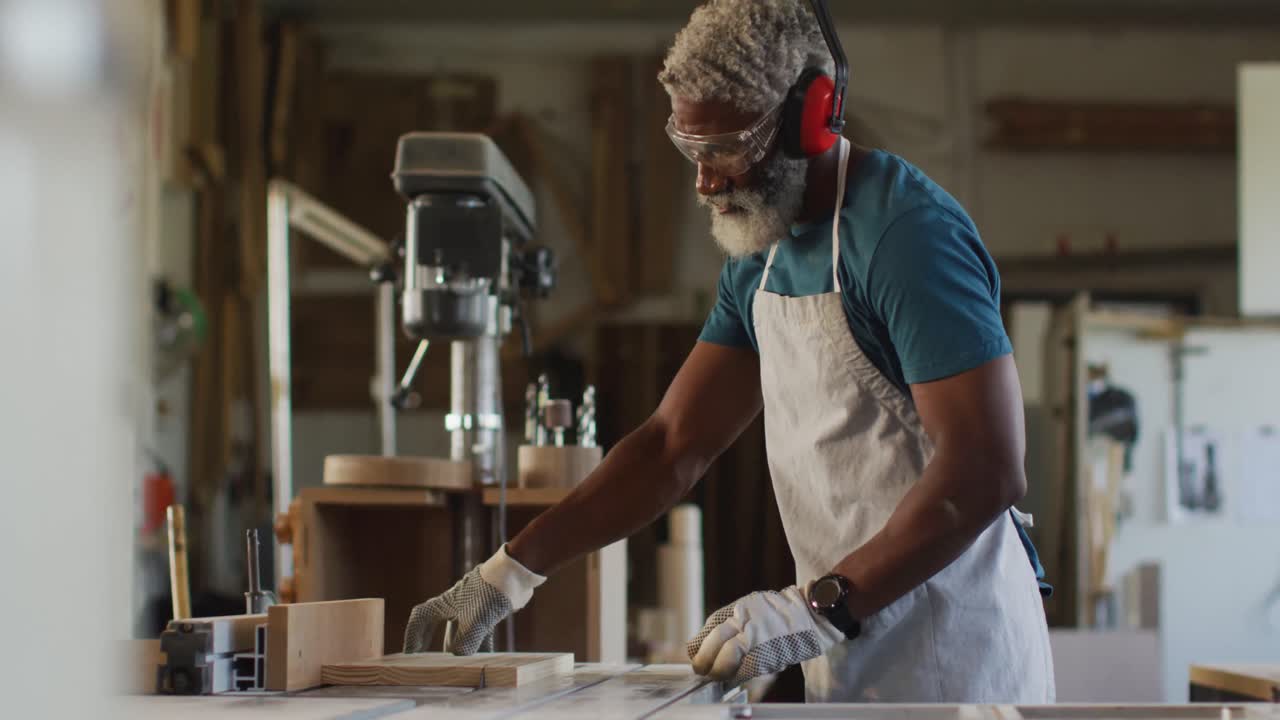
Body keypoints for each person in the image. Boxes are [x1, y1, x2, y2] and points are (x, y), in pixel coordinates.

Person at [403, 0, 1055, 704]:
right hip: (850, 648)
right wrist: (509, 572)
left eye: (726, 151)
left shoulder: (905, 237)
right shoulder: (759, 254)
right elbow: (670, 447)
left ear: (812, 117)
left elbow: (986, 467)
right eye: (692, 151)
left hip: (957, 660)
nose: (706, 183)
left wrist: (815, 607)